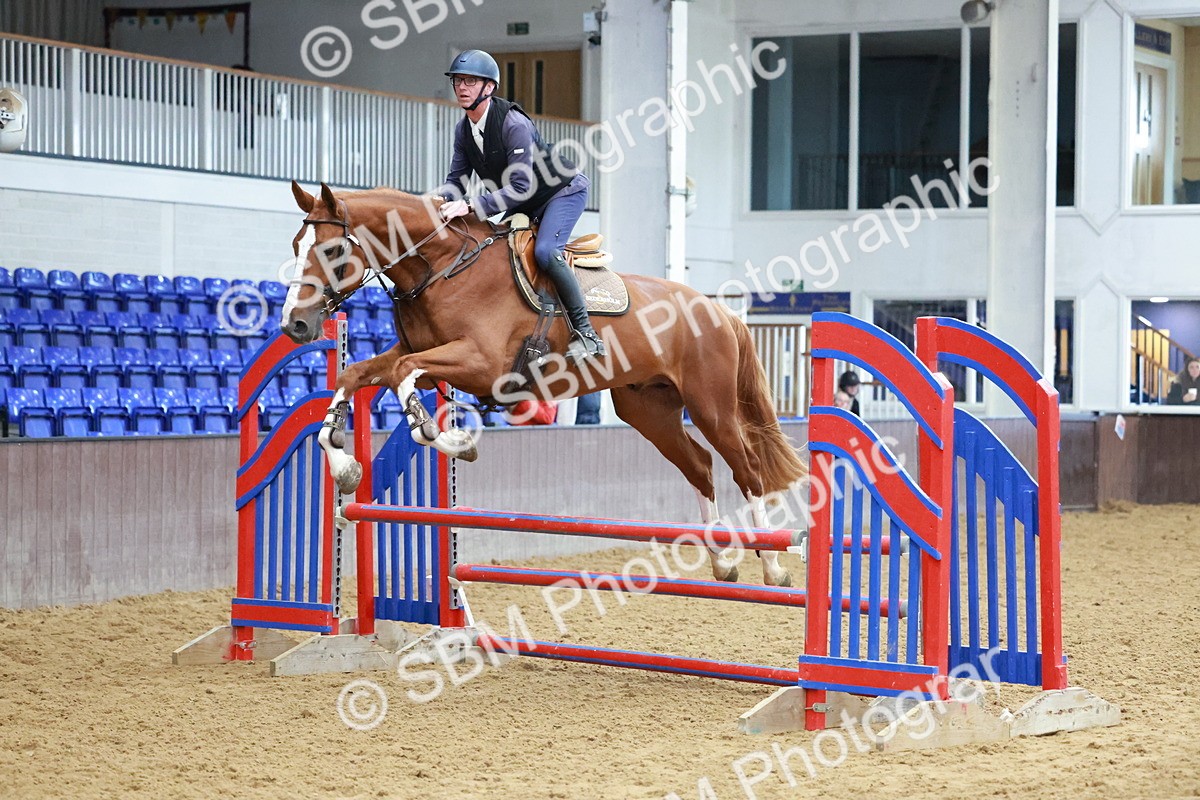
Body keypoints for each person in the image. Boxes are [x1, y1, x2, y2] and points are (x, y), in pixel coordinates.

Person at [435, 49, 606, 364]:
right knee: (495, 250)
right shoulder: (463, 130)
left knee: (544, 253)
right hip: (526, 197)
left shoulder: (514, 124)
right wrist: (433, 207)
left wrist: (471, 206)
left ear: (489, 87)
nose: (461, 86)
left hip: (562, 189)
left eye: (470, 81)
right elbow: (455, 182)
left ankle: (587, 334)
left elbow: (520, 187)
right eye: (458, 80)